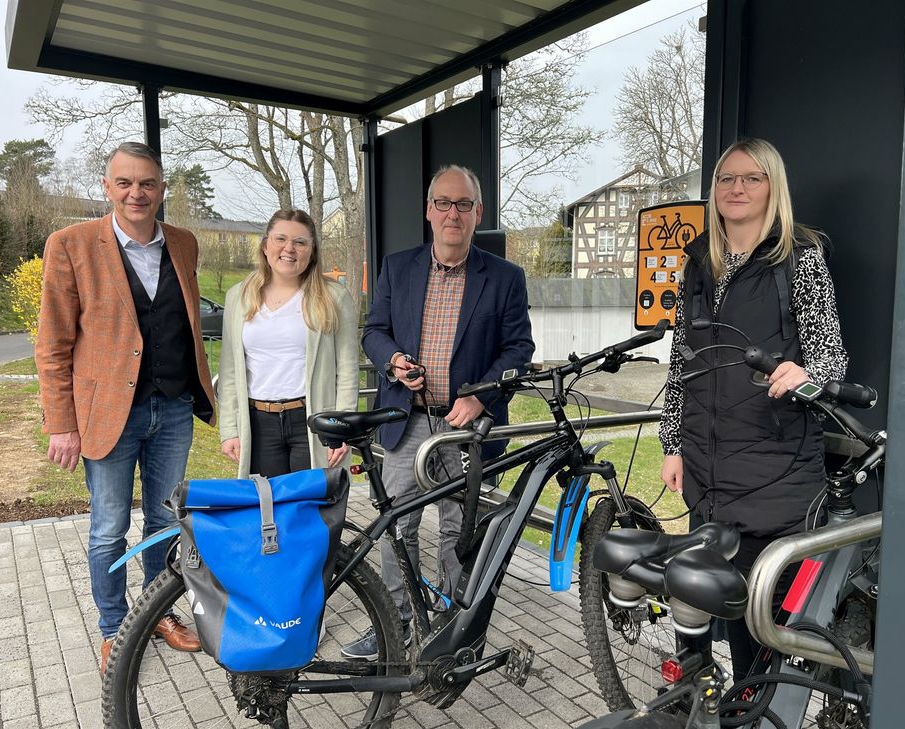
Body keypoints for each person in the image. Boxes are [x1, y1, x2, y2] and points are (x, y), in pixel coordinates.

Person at [658, 138, 848, 681]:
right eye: (726, 178)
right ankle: (694, 708)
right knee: (692, 605)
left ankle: (750, 714)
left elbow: (830, 354)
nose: (736, 188)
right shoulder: (698, 263)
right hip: (705, 475)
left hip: (774, 475)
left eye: (751, 178)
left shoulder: (800, 259)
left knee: (756, 632)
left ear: (773, 188)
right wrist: (672, 445)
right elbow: (681, 362)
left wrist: (808, 373)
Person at [35, 142, 216, 674]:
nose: (136, 193)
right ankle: (114, 627)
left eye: (148, 183)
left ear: (162, 190)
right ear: (107, 187)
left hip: (174, 409)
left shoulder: (183, 243)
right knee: (108, 528)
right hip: (108, 412)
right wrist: (61, 423)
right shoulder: (70, 245)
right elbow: (53, 343)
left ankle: (155, 611)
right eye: (125, 183)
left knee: (164, 522)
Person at [343, 164, 535, 659]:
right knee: (396, 527)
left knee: (461, 529)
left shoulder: (505, 278)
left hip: (465, 427)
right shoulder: (397, 267)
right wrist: (392, 360)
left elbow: (519, 349)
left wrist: (481, 396)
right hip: (407, 422)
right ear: (429, 211)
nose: (453, 213)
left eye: (464, 205)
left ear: (478, 213)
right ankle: (395, 624)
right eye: (444, 204)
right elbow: (374, 330)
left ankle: (454, 627)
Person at [216, 209, 358, 478]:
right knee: (269, 511)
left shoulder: (334, 298)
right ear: (266, 245)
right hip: (259, 424)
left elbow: (348, 371)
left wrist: (342, 428)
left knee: (314, 510)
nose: (289, 249)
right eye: (280, 239)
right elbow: (230, 372)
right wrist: (229, 430)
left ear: (312, 250)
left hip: (313, 421)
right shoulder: (238, 297)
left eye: (300, 242)